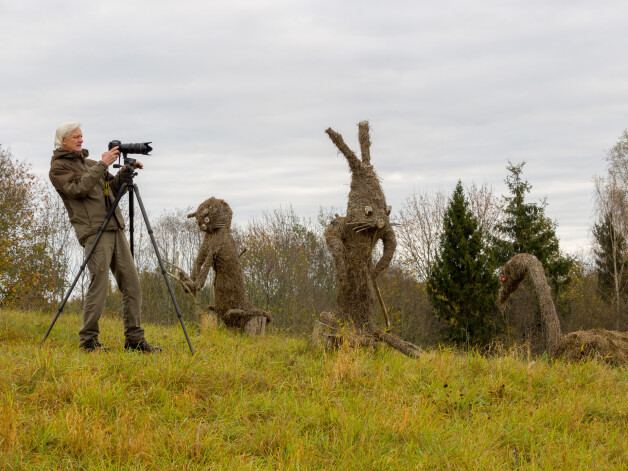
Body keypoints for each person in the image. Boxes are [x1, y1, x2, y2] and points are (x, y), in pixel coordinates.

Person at [49, 121, 161, 353]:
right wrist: (102, 164)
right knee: (98, 285)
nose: (81, 140)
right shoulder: (58, 168)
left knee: (132, 284)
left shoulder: (89, 164)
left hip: (114, 227)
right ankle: (88, 341)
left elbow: (112, 188)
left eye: (82, 136)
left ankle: (135, 340)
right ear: (63, 141)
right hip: (93, 231)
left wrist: (124, 173)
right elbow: (79, 189)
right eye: (76, 137)